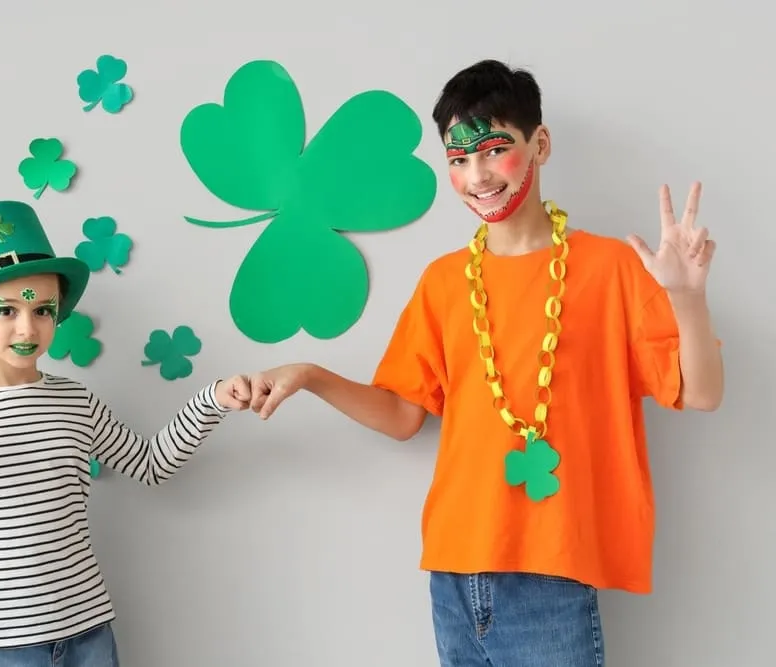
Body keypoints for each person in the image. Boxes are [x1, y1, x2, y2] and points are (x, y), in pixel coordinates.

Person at [245, 59, 723, 666]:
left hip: (551, 570)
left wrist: (686, 296)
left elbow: (702, 393)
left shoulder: (611, 269)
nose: (476, 175)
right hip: (452, 571)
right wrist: (309, 376)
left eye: (494, 149)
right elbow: (401, 414)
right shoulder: (445, 282)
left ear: (539, 144)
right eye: (458, 158)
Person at [0, 200, 254, 667]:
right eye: (6, 311)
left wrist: (214, 398)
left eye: (43, 310)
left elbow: (151, 464)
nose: (29, 327)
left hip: (88, 638)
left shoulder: (74, 401)